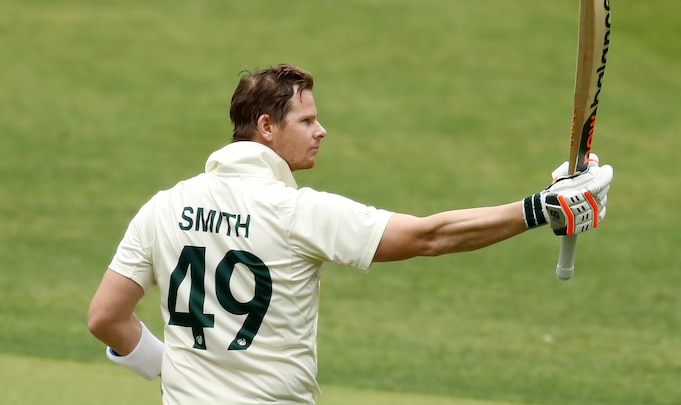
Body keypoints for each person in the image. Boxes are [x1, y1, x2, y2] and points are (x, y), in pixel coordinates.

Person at [87, 63, 613, 404]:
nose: (321, 131)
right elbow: (430, 236)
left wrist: (169, 371)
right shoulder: (295, 212)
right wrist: (541, 209)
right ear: (267, 127)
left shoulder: (163, 208)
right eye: (307, 120)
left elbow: (105, 318)